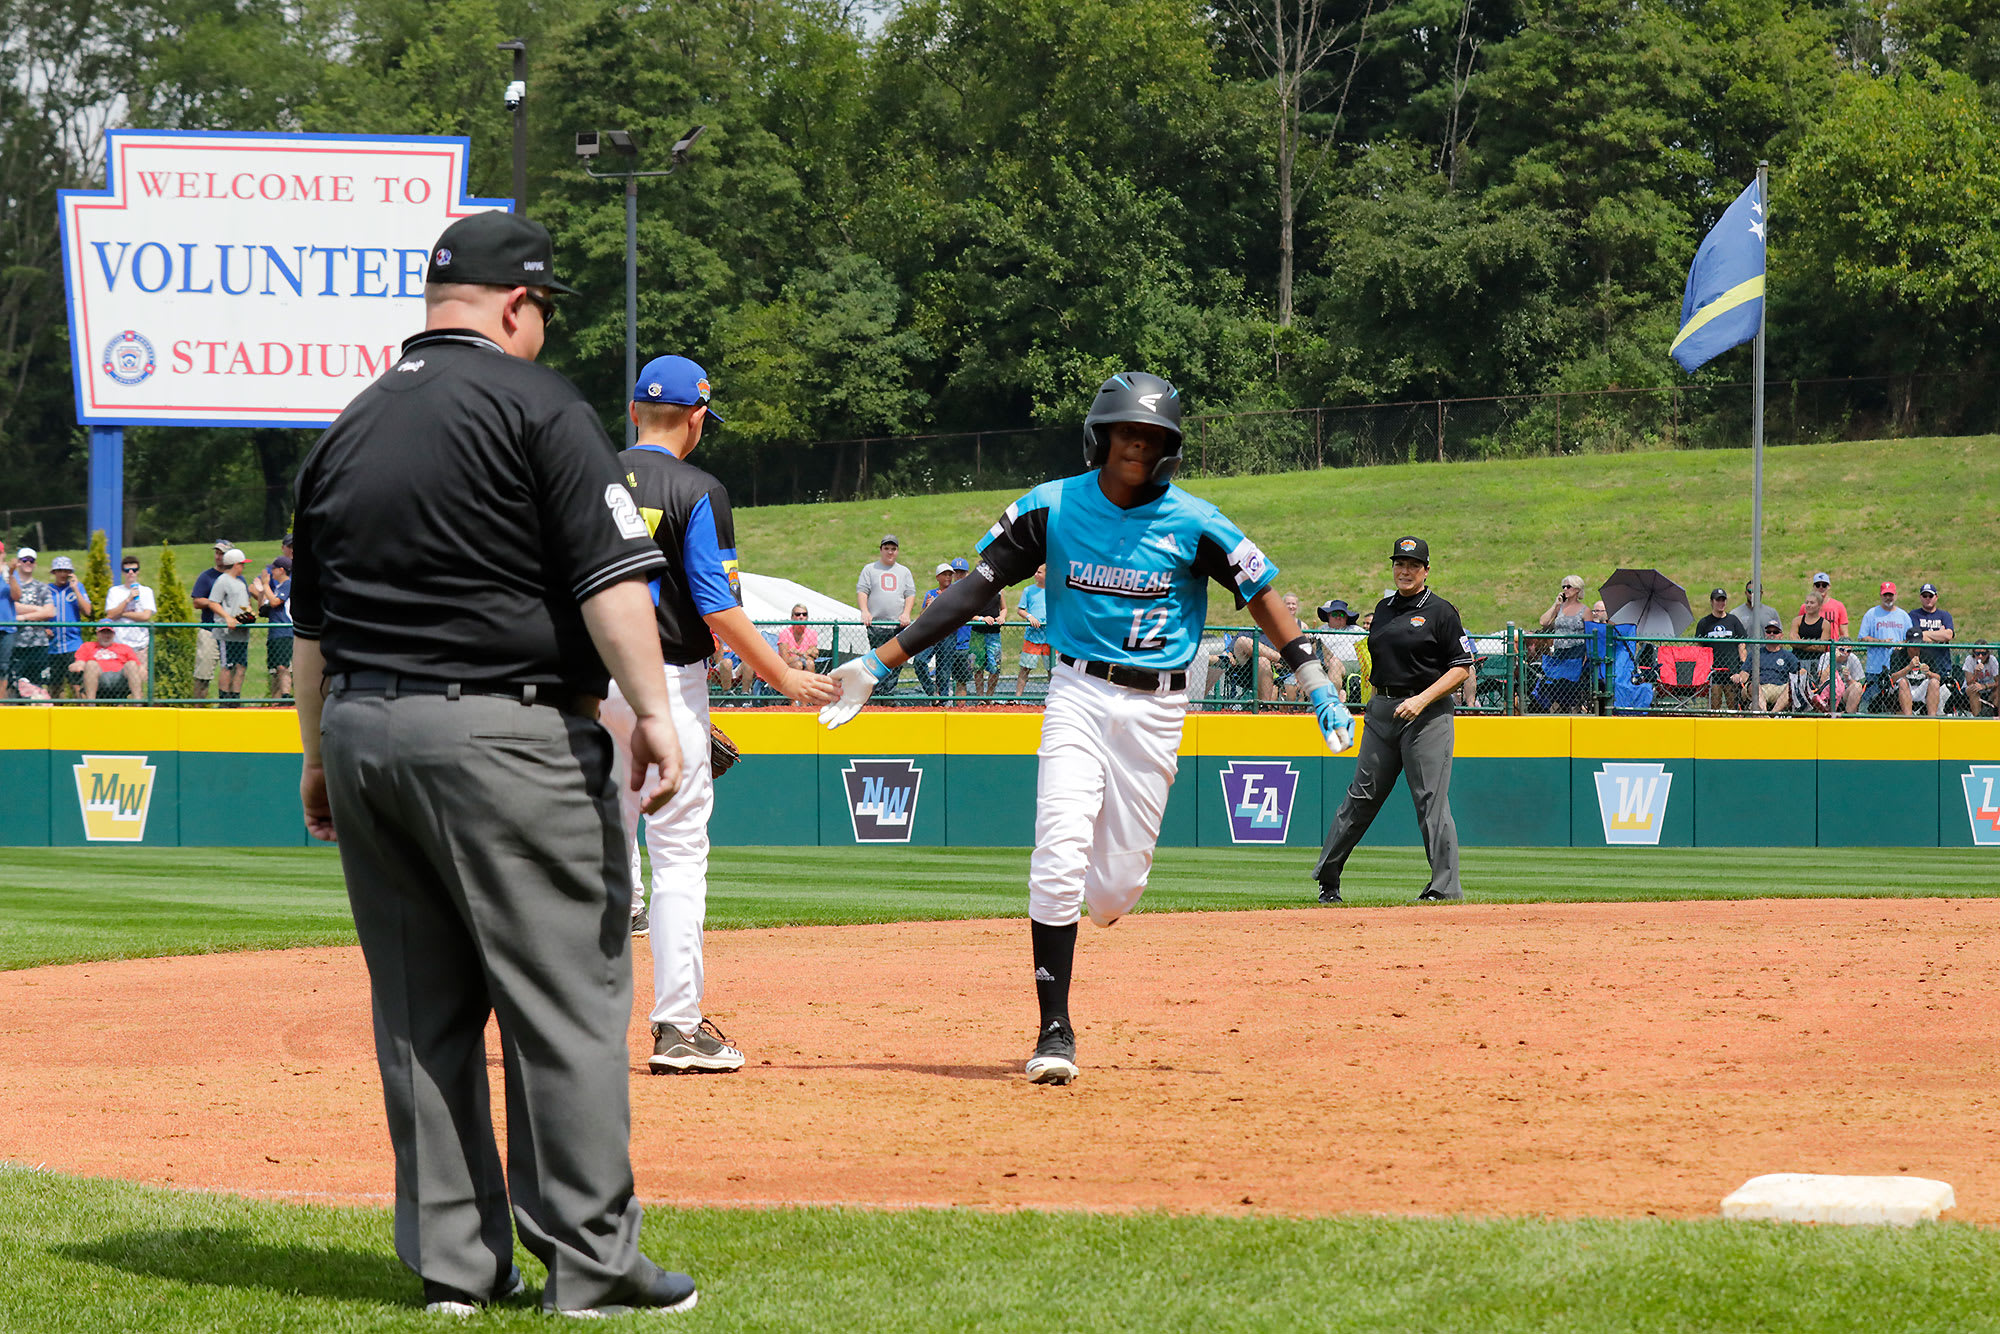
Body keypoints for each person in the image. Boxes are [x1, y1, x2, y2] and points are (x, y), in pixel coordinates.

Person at [288, 211, 701, 1318]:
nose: (542, 327)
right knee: (563, 996)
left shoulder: (348, 426)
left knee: (420, 1011)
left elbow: (312, 632)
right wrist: (656, 714)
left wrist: (316, 757)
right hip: (504, 734)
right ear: (516, 306)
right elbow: (612, 583)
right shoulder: (540, 405)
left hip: (364, 735)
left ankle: (455, 1269)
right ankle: (594, 1264)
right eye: (543, 309)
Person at [816, 371, 1353, 1085]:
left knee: (1113, 893)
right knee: (1057, 851)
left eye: (1153, 436)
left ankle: (1100, 907)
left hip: (1157, 709)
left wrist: (1311, 675)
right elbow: (978, 587)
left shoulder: (1197, 521)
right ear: (1102, 435)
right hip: (1076, 691)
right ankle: (1055, 1029)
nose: (1138, 445)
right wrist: (882, 662)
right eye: (1128, 431)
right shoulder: (1053, 506)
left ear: (1170, 447)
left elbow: (1259, 592)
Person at [597, 352, 837, 1075]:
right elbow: (718, 605)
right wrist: (785, 676)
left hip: (581, 683)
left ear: (635, 411)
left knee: (599, 851)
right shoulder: (697, 486)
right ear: (697, 417)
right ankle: (678, 1028)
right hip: (665, 681)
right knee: (676, 853)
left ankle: (566, 1026)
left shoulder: (580, 476)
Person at [1313, 536, 1477, 905]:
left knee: (1430, 799)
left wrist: (1420, 700)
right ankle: (1328, 877)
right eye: (1399, 563)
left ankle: (1444, 887)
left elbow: (1462, 669)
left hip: (1428, 713)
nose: (1405, 570)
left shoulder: (1441, 611)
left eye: (1413, 564)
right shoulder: (1383, 609)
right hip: (1383, 710)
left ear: (1426, 570)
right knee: (1361, 796)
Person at [855, 536, 915, 696]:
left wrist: (906, 613)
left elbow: (910, 594)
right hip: (877, 625)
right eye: (887, 548)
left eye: (893, 549)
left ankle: (888, 695)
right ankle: (876, 695)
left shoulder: (904, 571)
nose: (890, 552)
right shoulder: (870, 569)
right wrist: (865, 611)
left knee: (896, 661)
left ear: (897, 551)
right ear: (881, 550)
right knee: (877, 661)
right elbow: (862, 590)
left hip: (897, 625)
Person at [1535, 575, 1591, 712]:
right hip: (1559, 654)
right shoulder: (1559, 608)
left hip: (1576, 654)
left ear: (1577, 590)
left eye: (1568, 587)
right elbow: (1544, 622)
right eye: (1563, 587)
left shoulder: (1585, 610)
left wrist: (1586, 657)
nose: (1565, 589)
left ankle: (1575, 711)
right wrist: (1556, 605)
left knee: (1571, 689)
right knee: (1551, 686)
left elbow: (1590, 637)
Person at [188, 539, 235, 699]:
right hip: (210, 630)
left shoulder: (236, 577)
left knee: (231, 672)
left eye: (222, 553)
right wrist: (214, 602)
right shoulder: (207, 576)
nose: (219, 556)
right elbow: (196, 601)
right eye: (217, 553)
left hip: (231, 632)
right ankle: (198, 709)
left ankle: (228, 709)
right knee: (203, 674)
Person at [1858, 581, 1912, 713]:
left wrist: (1902, 644)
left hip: (1897, 668)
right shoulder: (1871, 614)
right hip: (1875, 669)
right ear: (1881, 596)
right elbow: (1862, 637)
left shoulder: (1903, 616)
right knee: (1872, 705)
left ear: (1896, 595)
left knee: (1896, 705)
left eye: (1891, 594)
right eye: (1885, 595)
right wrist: (1881, 641)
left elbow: (1911, 639)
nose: (1888, 597)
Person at [6, 549, 53, 699]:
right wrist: (38, 610)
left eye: (31, 561)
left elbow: (50, 612)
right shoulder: (9, 586)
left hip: (38, 644)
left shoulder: (42, 587)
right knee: (12, 686)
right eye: (24, 560)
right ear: (18, 562)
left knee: (37, 688)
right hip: (14, 644)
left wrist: (23, 617)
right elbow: (13, 607)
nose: (28, 563)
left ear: (35, 564)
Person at [1694, 588, 1748, 711]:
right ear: (1712, 602)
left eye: (1723, 600)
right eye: (1718, 600)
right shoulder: (1704, 622)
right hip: (1713, 671)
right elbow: (1699, 646)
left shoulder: (1733, 620)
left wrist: (1742, 666)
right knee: (1715, 706)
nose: (1721, 603)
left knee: (1733, 707)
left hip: (1731, 669)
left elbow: (1742, 644)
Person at [212, 549, 255, 703]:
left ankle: (235, 700)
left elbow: (243, 605)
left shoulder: (241, 582)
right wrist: (227, 617)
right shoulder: (223, 580)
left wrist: (249, 613)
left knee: (241, 666)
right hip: (227, 632)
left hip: (241, 632)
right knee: (227, 665)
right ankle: (224, 699)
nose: (243, 567)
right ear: (236, 564)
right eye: (242, 564)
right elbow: (213, 602)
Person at [45, 556, 92, 697]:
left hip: (73, 645)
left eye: (66, 571)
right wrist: (44, 628)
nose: (63, 574)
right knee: (55, 688)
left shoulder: (77, 588)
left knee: (77, 686)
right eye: (59, 570)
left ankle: (83, 716)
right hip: (53, 647)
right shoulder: (46, 589)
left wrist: (75, 589)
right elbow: (39, 612)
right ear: (54, 572)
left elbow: (87, 611)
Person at [910, 563, 956, 699]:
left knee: (944, 671)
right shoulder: (930, 594)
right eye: (945, 574)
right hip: (931, 634)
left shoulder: (956, 592)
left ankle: (942, 700)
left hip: (948, 634)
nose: (948, 577)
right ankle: (932, 692)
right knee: (919, 661)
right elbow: (921, 617)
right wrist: (928, 606)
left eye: (950, 575)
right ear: (938, 577)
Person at [104, 555, 157, 671]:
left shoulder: (146, 591)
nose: (131, 573)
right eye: (127, 570)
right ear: (123, 572)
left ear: (139, 571)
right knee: (118, 683)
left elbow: (145, 616)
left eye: (134, 570)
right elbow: (111, 615)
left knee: (140, 680)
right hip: (118, 645)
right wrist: (128, 600)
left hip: (140, 645)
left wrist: (122, 613)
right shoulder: (114, 591)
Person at [69, 623, 145, 701]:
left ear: (113, 634)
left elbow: (138, 666)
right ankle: (90, 704)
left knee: (131, 664)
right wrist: (78, 665)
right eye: (103, 632)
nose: (106, 636)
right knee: (91, 664)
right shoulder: (87, 646)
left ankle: (137, 704)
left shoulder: (124, 648)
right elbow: (79, 663)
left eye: (109, 632)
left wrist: (142, 672)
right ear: (97, 633)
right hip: (98, 679)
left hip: (120, 680)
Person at [966, 558, 1007, 696]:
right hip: (978, 633)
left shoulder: (999, 589)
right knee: (977, 667)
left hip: (994, 634)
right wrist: (982, 619)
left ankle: (989, 696)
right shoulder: (974, 590)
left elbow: (1004, 608)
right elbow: (968, 612)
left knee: (995, 667)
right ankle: (980, 697)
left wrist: (1002, 617)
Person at [257, 557, 294, 697]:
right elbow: (262, 609)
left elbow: (275, 602)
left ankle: (285, 696)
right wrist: (262, 590)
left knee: (282, 666)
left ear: (281, 570)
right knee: (274, 669)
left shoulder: (287, 584)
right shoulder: (277, 588)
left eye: (273, 569)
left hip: (284, 631)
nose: (271, 572)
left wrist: (266, 585)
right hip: (274, 632)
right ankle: (276, 699)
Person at [1013, 564, 1050, 695]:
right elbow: (1020, 610)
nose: (1035, 574)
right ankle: (1017, 698)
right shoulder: (1028, 590)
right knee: (1025, 668)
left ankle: (1053, 697)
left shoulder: (1055, 590)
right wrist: (1030, 617)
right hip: (1033, 637)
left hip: (1050, 638)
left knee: (1053, 670)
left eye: (1039, 572)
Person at [1890, 630, 1941, 717]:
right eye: (1913, 646)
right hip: (1905, 688)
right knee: (1902, 682)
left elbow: (1938, 677)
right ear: (1907, 643)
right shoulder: (1898, 654)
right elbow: (1893, 678)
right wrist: (1909, 667)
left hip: (1921, 688)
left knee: (1934, 682)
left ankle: (1932, 718)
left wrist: (1929, 673)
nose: (1916, 648)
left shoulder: (1928, 654)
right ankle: (1908, 717)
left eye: (1918, 645)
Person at [1752, 619, 1797, 713]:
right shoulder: (1756, 653)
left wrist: (1803, 671)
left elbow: (1800, 670)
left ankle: (1772, 714)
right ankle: (1763, 712)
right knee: (1753, 684)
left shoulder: (1787, 655)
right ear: (1765, 634)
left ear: (1781, 635)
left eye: (1775, 632)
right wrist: (1739, 676)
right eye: (1769, 632)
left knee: (1791, 687)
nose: (1772, 634)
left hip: (1780, 688)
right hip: (1761, 688)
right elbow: (1744, 673)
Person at [1790, 591, 1830, 674]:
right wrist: (1813, 643)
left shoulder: (1825, 624)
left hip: (1816, 662)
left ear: (1819, 605)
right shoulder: (1797, 621)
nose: (1808, 605)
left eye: (1812, 603)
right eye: (1807, 602)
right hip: (1798, 659)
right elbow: (1793, 642)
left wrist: (1801, 643)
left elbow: (1822, 647)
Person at [1805, 572, 1849, 640]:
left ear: (1829, 586)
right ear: (1813, 586)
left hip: (1832, 647)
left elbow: (1844, 633)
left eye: (1824, 585)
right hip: (1812, 647)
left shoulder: (1838, 606)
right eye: (1818, 585)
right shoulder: (1807, 607)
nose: (1821, 587)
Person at [776, 605, 820, 673]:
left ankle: (808, 683)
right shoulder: (785, 633)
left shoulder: (812, 633)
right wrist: (805, 654)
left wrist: (798, 653)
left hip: (805, 664)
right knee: (798, 665)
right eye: (797, 614)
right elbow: (785, 660)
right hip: (786, 668)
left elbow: (813, 656)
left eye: (804, 614)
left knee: (810, 664)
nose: (801, 617)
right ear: (792, 617)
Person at [1963, 646, 1997, 717]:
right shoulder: (1970, 660)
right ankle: (1978, 717)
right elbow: (1969, 683)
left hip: (1988, 689)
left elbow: (1998, 682)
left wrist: (1985, 686)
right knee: (1973, 688)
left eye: (1983, 653)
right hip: (1972, 689)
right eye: (1977, 653)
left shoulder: (1992, 660)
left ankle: (1993, 713)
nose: (1980, 656)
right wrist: (1976, 674)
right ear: (1974, 653)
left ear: (1987, 654)